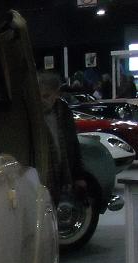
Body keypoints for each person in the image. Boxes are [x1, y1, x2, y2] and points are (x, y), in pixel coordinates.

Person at [38, 71, 87, 216]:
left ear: (56, 94)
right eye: (38, 96)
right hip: (40, 176)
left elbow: (73, 145)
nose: (42, 101)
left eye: (46, 96)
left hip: (61, 175)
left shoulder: (64, 112)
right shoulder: (32, 115)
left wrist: (79, 176)